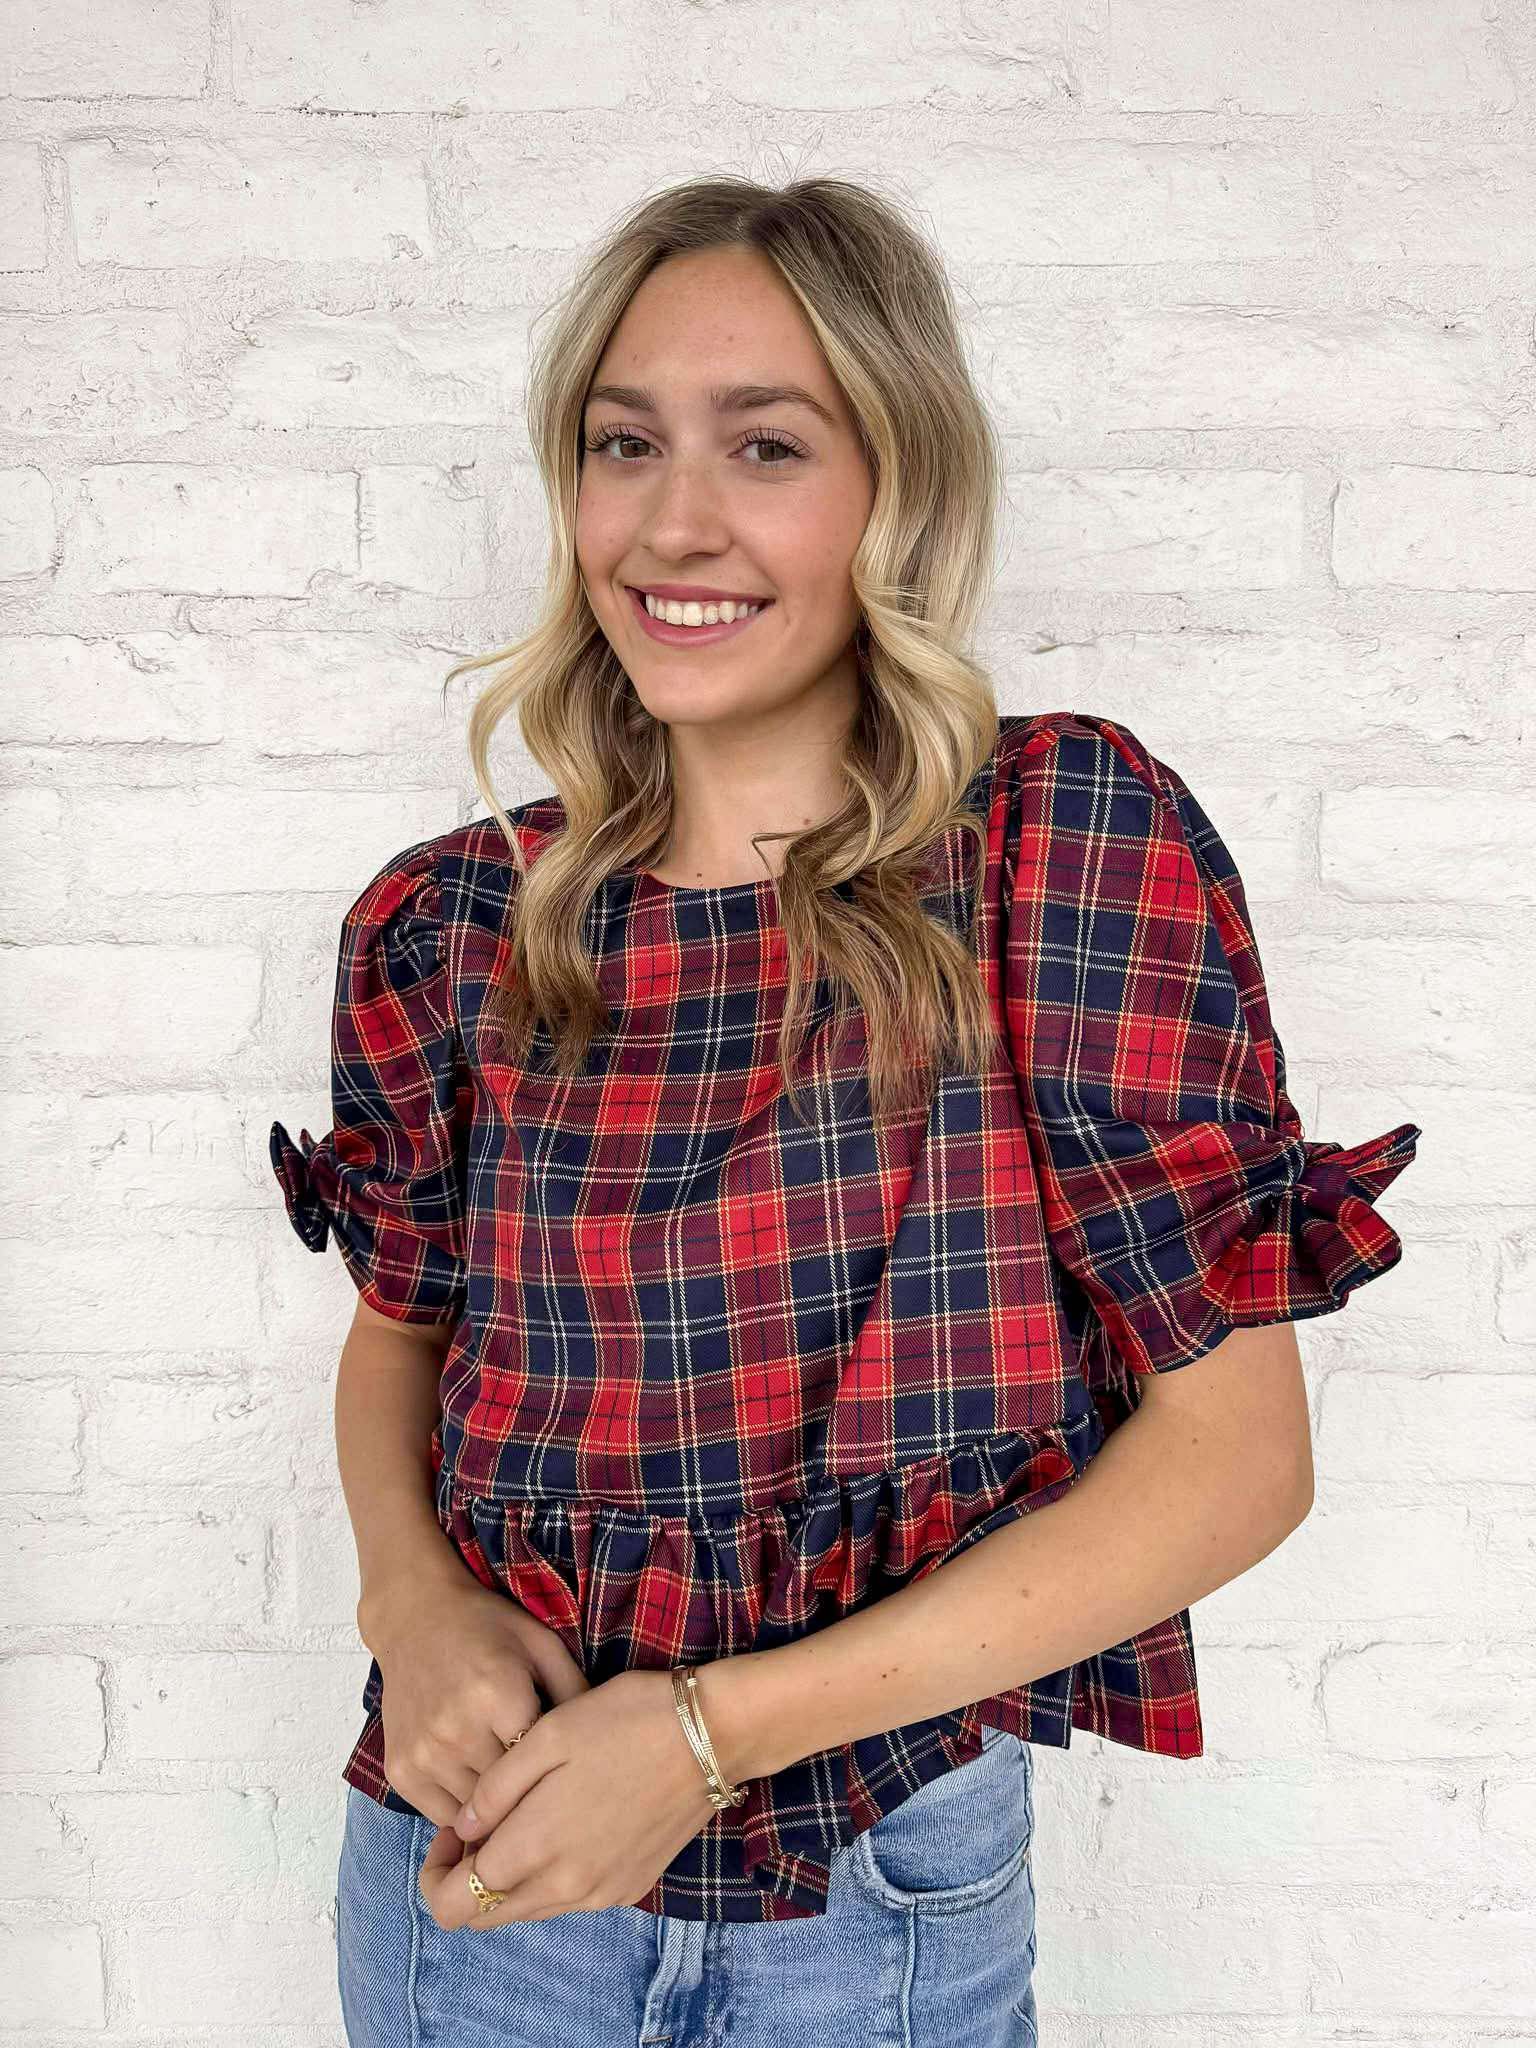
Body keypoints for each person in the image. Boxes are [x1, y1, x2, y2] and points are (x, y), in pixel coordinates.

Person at [269, 174, 1421, 2047]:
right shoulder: (454, 919)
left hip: (871, 1878)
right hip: (478, 1872)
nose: (674, 521)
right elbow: (402, 1337)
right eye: (623, 443)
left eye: (768, 445)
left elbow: (1234, 1463)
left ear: (900, 483)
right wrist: (415, 1607)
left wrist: (702, 1738)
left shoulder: (1055, 850)